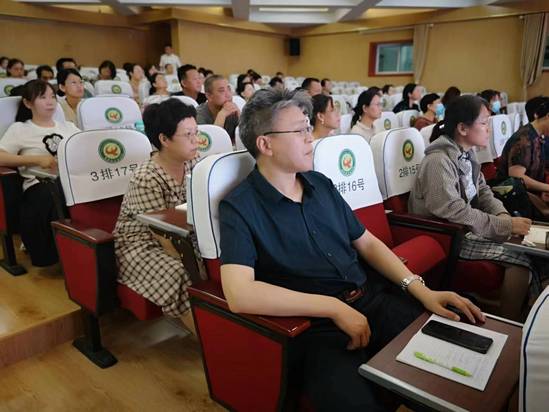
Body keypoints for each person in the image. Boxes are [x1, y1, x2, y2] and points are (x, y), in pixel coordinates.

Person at [219, 88, 484, 411]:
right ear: (265, 144)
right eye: (300, 131)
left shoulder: (320, 184)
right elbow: (239, 293)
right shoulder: (240, 207)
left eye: (308, 127)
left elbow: (367, 242)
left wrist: (421, 290)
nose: (310, 138)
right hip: (316, 329)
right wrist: (333, 307)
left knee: (453, 365)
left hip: (372, 299)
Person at [408, 95, 535, 320]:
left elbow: (483, 192)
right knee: (521, 260)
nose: (489, 129)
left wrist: (503, 215)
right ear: (462, 128)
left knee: (527, 248)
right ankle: (509, 323)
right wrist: (503, 225)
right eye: (484, 123)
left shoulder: (467, 154)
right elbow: (453, 210)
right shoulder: (438, 161)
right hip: (447, 234)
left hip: (465, 227)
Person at [114, 98, 200, 329]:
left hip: (183, 237)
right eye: (188, 135)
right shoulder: (147, 177)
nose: (196, 140)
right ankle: (210, 345)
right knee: (181, 273)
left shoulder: (194, 163)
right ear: (164, 139)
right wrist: (194, 264)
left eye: (196, 132)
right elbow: (162, 235)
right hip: (142, 245)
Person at [0, 80, 80, 267]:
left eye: (52, 96)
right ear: (28, 103)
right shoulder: (20, 129)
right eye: (42, 97)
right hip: (40, 186)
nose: (50, 101)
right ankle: (61, 253)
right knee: (54, 192)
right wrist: (36, 160)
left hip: (73, 181)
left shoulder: (68, 127)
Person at [496, 98, 549, 219]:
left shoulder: (538, 136)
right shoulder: (524, 140)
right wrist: (547, 188)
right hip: (514, 197)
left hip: (530, 194)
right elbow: (517, 178)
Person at [196, 74, 239, 140]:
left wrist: (240, 115)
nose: (228, 95)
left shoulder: (232, 111)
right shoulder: (199, 114)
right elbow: (211, 143)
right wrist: (222, 114)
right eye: (222, 91)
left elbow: (248, 138)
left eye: (229, 89)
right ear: (209, 96)